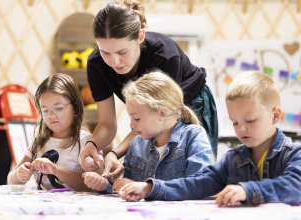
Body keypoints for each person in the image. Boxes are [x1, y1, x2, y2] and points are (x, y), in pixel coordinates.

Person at [80, 0, 218, 181]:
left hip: (192, 104)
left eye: (122, 52)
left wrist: (114, 153)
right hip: (149, 118)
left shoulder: (164, 56)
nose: (114, 62)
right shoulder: (97, 64)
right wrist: (92, 144)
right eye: (105, 52)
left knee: (193, 179)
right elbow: (107, 124)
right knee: (150, 180)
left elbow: (151, 118)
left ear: (140, 37)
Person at [119, 71, 301, 206]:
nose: (241, 129)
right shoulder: (233, 160)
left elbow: (295, 186)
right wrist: (150, 188)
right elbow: (197, 183)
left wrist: (248, 190)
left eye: (250, 120)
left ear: (275, 116)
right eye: (235, 123)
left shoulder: (294, 155)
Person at [82, 71, 213, 193]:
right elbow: (124, 184)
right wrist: (104, 184)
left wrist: (149, 188)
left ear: (162, 113)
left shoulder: (193, 135)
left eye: (137, 118)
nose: (131, 125)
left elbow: (200, 185)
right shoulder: (137, 143)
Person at [7, 73, 104, 191]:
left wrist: (55, 170)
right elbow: (10, 180)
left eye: (59, 108)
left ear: (75, 107)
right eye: (45, 110)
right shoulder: (39, 140)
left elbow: (99, 185)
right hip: (42, 207)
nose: (51, 116)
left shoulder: (88, 142)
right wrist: (19, 174)